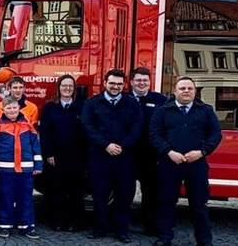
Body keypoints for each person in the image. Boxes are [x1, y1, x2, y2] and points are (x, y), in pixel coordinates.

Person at [149, 77, 222, 246]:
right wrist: (169, 152)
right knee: (166, 202)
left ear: (195, 91)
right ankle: (164, 237)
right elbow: (154, 135)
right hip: (169, 164)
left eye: (190, 88)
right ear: (175, 91)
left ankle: (204, 240)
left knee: (199, 204)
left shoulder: (206, 110)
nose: (186, 91)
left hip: (196, 164)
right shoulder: (162, 111)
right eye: (182, 88)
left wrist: (202, 152)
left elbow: (216, 134)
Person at [81, 69, 142, 243]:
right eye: (112, 83)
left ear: (124, 85)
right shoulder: (93, 103)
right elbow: (87, 126)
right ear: (105, 83)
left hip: (125, 156)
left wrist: (122, 146)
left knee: (124, 195)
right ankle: (99, 228)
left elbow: (137, 127)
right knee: (99, 194)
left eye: (119, 84)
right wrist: (106, 145)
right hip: (100, 156)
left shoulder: (132, 104)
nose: (115, 87)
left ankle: (121, 230)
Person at [38, 74, 87, 232]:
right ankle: (57, 221)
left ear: (74, 89)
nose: (67, 88)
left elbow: (86, 131)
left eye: (70, 86)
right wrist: (49, 153)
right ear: (58, 88)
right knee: (56, 190)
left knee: (76, 191)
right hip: (55, 157)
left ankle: (75, 222)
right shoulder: (50, 107)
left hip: (76, 156)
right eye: (64, 85)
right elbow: (45, 132)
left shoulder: (82, 106)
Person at [0, 96, 42, 239]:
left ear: (19, 109)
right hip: (5, 170)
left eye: (14, 108)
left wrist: (38, 164)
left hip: (25, 169)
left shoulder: (28, 125)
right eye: (8, 108)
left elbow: (35, 146)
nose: (12, 111)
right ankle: (5, 226)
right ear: (3, 109)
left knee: (25, 198)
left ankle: (27, 227)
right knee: (5, 198)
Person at [129, 66, 167, 237]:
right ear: (131, 82)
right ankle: (120, 226)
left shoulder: (160, 101)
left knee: (151, 193)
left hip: (150, 155)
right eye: (138, 80)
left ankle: (150, 226)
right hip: (126, 153)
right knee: (124, 191)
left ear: (150, 82)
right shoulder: (124, 99)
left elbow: (165, 126)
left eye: (145, 80)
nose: (141, 83)